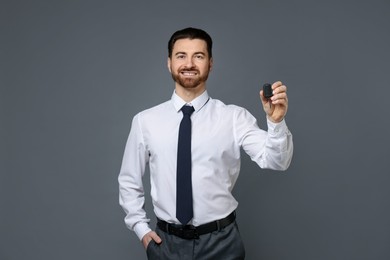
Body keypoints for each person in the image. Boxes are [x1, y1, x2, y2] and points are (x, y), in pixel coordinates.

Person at [118, 27, 293, 259]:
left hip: (222, 243)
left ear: (210, 63)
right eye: (181, 55)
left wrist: (276, 123)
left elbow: (277, 162)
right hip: (166, 245)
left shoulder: (233, 117)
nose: (189, 63)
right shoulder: (144, 121)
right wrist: (141, 229)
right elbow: (129, 180)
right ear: (169, 63)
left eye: (198, 56)